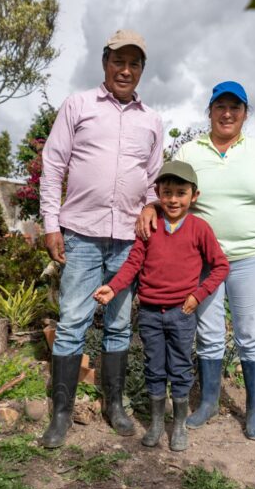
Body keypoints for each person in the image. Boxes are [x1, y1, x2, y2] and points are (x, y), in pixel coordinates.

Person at [137, 81, 255, 440]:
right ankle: (208, 403)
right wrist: (149, 205)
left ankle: (254, 410)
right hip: (202, 260)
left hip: (251, 256)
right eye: (220, 106)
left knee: (251, 333)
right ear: (210, 111)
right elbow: (171, 189)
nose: (227, 113)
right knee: (209, 333)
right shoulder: (190, 150)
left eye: (235, 107)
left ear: (245, 114)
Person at [39, 30, 164, 449]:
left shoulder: (151, 120)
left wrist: (150, 206)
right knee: (73, 321)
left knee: (119, 326)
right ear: (105, 63)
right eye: (118, 61)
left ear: (142, 70)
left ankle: (114, 405)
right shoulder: (78, 105)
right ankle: (61, 413)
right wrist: (50, 224)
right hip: (81, 235)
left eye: (134, 63)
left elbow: (153, 179)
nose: (125, 70)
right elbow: (53, 165)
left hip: (129, 239)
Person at [93, 161, 230, 451]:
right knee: (154, 367)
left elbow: (220, 267)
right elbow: (133, 263)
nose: (173, 199)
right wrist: (114, 287)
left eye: (181, 193)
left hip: (182, 313)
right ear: (157, 193)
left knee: (180, 368)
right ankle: (157, 423)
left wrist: (197, 296)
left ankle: (178, 426)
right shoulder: (150, 227)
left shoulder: (199, 228)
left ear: (194, 196)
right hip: (151, 314)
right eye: (167, 192)